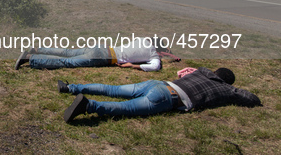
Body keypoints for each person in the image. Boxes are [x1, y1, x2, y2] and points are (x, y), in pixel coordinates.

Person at [60, 67, 261, 122]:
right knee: (128, 108)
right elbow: (252, 99)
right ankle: (89, 106)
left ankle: (71, 88)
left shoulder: (204, 71)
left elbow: (188, 70)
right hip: (169, 98)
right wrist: (234, 90)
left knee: (114, 89)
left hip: (159, 83)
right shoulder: (226, 89)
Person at [14, 37, 161, 72]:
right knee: (68, 62)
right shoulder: (154, 55)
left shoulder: (143, 40)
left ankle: (38, 50)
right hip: (105, 58)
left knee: (68, 52)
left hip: (104, 48)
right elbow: (155, 67)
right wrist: (133, 65)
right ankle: (30, 59)